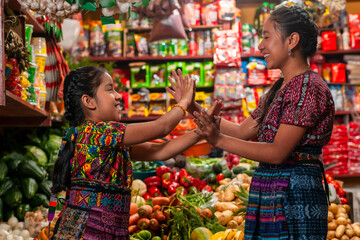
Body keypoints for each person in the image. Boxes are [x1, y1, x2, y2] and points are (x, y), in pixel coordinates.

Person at [174, 6, 335, 239]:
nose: (260, 46)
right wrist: (191, 106)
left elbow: (278, 152)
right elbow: (242, 131)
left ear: (292, 40)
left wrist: (217, 139)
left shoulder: (308, 87)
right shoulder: (281, 87)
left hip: (294, 194)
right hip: (272, 190)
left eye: (267, 36)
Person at [49, 66, 220, 239]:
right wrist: (184, 102)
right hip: (87, 234)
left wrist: (202, 130)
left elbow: (160, 151)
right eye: (110, 89)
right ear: (89, 101)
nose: (118, 96)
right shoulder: (100, 132)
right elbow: (161, 127)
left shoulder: (104, 138)